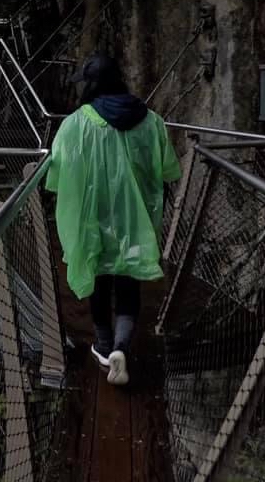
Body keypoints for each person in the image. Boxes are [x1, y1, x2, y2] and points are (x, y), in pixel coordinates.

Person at [44, 53, 181, 385]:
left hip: (94, 224)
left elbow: (56, 176)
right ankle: (121, 346)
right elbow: (167, 170)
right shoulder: (150, 120)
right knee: (129, 288)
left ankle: (104, 345)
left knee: (99, 284)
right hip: (134, 225)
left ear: (90, 86)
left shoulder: (75, 124)